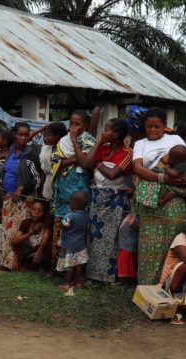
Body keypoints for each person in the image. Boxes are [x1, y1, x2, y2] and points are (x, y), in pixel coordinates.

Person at [132, 107, 186, 285]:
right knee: (149, 245)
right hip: (151, 200)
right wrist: (163, 178)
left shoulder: (175, 139)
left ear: (165, 126)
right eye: (149, 127)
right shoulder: (140, 144)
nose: (152, 130)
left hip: (173, 198)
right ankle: (147, 286)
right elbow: (138, 168)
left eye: (157, 127)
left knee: (173, 239)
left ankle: (170, 285)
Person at [77, 118, 133, 282]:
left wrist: (99, 163)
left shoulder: (127, 152)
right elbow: (87, 163)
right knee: (94, 237)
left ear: (116, 134)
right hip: (97, 198)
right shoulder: (103, 148)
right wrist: (98, 144)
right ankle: (93, 273)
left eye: (107, 129)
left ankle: (107, 276)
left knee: (110, 238)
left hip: (115, 201)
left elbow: (113, 174)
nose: (103, 132)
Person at [51, 111, 96, 269]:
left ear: (86, 125)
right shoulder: (63, 141)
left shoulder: (89, 141)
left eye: (78, 124)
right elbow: (56, 161)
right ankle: (58, 266)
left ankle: (76, 269)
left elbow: (86, 162)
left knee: (77, 231)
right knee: (60, 229)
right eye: (71, 123)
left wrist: (75, 146)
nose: (73, 127)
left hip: (79, 193)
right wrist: (78, 158)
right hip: (62, 192)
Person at [0, 122, 42, 270]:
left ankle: (17, 264)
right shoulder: (11, 150)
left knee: (19, 231)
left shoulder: (31, 154)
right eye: (20, 135)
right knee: (7, 231)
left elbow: (37, 179)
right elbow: (7, 171)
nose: (23, 138)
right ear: (14, 135)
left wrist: (22, 188)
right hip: (9, 198)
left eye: (26, 135)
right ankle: (6, 262)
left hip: (24, 200)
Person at [56, 191, 89, 290]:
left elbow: (65, 224)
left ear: (75, 204)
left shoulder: (70, 215)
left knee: (69, 266)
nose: (70, 204)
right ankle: (78, 283)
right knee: (78, 265)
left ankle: (66, 284)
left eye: (71, 202)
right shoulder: (86, 215)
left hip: (69, 245)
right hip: (80, 244)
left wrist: (62, 223)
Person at [10, 199, 51, 271]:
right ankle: (23, 264)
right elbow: (13, 242)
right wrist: (31, 233)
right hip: (29, 252)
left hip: (42, 252)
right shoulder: (25, 223)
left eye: (40, 210)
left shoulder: (47, 222)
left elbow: (46, 236)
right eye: (34, 209)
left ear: (44, 212)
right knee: (19, 244)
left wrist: (39, 251)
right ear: (30, 210)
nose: (36, 212)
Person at [40, 122, 68, 200]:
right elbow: (44, 170)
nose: (46, 138)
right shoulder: (47, 149)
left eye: (48, 135)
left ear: (57, 136)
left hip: (61, 187)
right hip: (48, 186)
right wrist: (42, 186)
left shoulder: (65, 151)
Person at [117, 213, 139, 286]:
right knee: (124, 267)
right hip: (124, 244)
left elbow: (134, 226)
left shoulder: (137, 216)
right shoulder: (132, 214)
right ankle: (126, 283)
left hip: (129, 246)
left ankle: (131, 284)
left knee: (128, 268)